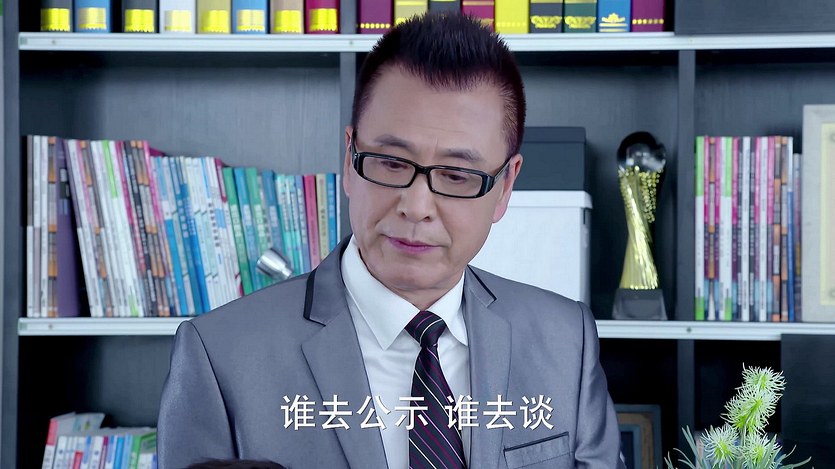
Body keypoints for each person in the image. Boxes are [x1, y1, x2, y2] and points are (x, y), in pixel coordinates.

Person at [158, 12, 624, 469]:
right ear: (349, 159)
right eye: (392, 163)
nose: (416, 206)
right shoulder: (219, 354)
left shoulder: (566, 340)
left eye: (457, 175)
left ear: (504, 187)